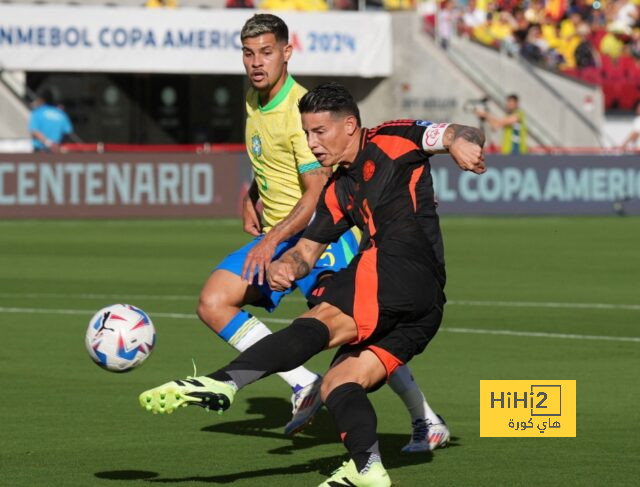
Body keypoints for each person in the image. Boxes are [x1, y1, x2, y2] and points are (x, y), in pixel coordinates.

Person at [139, 82, 486, 486]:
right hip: (424, 310)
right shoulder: (338, 190)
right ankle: (367, 468)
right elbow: (308, 251)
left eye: (320, 132)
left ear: (351, 126)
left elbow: (455, 133)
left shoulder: (392, 138)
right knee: (340, 383)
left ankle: (225, 382)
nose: (312, 143)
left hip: (402, 267)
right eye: (306, 133)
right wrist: (286, 265)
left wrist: (462, 144)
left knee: (320, 320)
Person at [196, 14, 448, 451]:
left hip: (312, 234)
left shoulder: (300, 111)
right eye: (249, 53)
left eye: (267, 52)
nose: (256, 63)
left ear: (287, 53)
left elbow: (317, 190)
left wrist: (275, 243)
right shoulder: (255, 98)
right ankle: (301, 383)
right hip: (279, 233)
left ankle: (423, 418)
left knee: (354, 330)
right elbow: (274, 160)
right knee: (214, 301)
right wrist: (251, 192)